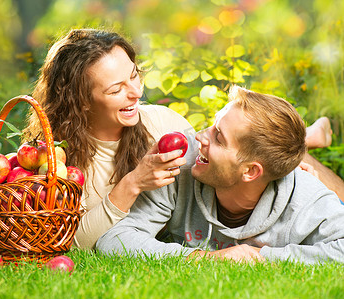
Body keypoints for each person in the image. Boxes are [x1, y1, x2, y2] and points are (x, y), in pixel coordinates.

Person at [24, 28, 339, 250]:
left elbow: (227, 152)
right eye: (115, 89)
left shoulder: (162, 124)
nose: (137, 93)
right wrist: (133, 183)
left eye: (134, 75)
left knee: (278, 152)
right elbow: (70, 244)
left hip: (248, 164)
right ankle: (307, 136)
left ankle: (304, 141)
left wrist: (290, 179)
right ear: (81, 101)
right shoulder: (57, 160)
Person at [97, 85, 344, 264]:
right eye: (213, 124)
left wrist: (258, 257)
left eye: (218, 137)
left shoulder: (305, 196)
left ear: (250, 171)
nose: (199, 136)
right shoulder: (182, 164)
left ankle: (310, 139)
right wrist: (200, 257)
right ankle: (308, 137)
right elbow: (114, 240)